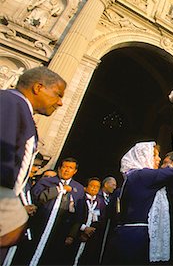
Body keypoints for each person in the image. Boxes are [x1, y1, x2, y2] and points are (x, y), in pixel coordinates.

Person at [109, 142, 173, 264]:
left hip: (130, 234)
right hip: (137, 237)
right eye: (155, 155)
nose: (158, 159)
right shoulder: (141, 175)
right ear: (142, 156)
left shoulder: (133, 176)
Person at [0, 66, 66, 248]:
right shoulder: (11, 104)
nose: (60, 103)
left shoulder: (19, 109)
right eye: (58, 94)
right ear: (38, 87)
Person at [29, 158, 85, 265]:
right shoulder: (46, 182)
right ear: (59, 168)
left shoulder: (78, 189)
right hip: (39, 226)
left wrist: (72, 234)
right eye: (64, 167)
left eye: (70, 168)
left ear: (75, 171)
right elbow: (35, 199)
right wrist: (59, 190)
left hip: (60, 231)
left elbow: (78, 214)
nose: (67, 170)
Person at [72, 177, 107, 266]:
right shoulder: (79, 199)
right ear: (86, 187)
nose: (94, 188)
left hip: (92, 237)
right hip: (77, 234)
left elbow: (102, 219)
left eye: (97, 187)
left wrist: (91, 231)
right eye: (92, 186)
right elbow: (73, 216)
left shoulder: (101, 203)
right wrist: (84, 228)